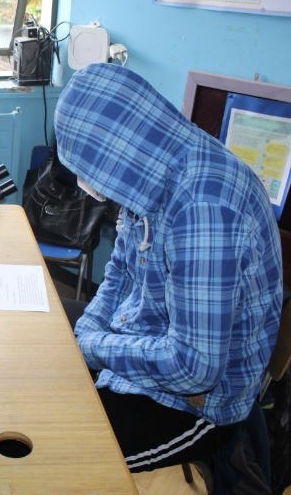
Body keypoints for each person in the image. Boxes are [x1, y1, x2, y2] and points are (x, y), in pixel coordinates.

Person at [54, 63, 282, 474]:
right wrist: (90, 326)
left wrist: (92, 346)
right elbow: (121, 269)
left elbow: (193, 368)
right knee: (45, 335)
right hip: (145, 337)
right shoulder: (152, 167)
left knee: (65, 453)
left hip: (194, 406)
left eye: (89, 169)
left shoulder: (205, 212)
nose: (88, 182)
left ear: (117, 152)